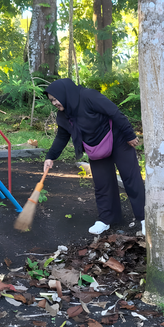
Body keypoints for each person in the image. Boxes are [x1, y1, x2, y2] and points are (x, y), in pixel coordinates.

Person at [43, 78, 145, 236]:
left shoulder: (88, 96)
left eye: (56, 99)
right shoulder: (63, 115)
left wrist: (129, 134)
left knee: (131, 178)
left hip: (117, 139)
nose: (55, 103)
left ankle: (145, 219)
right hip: (96, 148)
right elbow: (62, 136)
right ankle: (106, 219)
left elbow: (114, 112)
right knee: (102, 184)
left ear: (64, 94)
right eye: (52, 101)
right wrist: (50, 157)